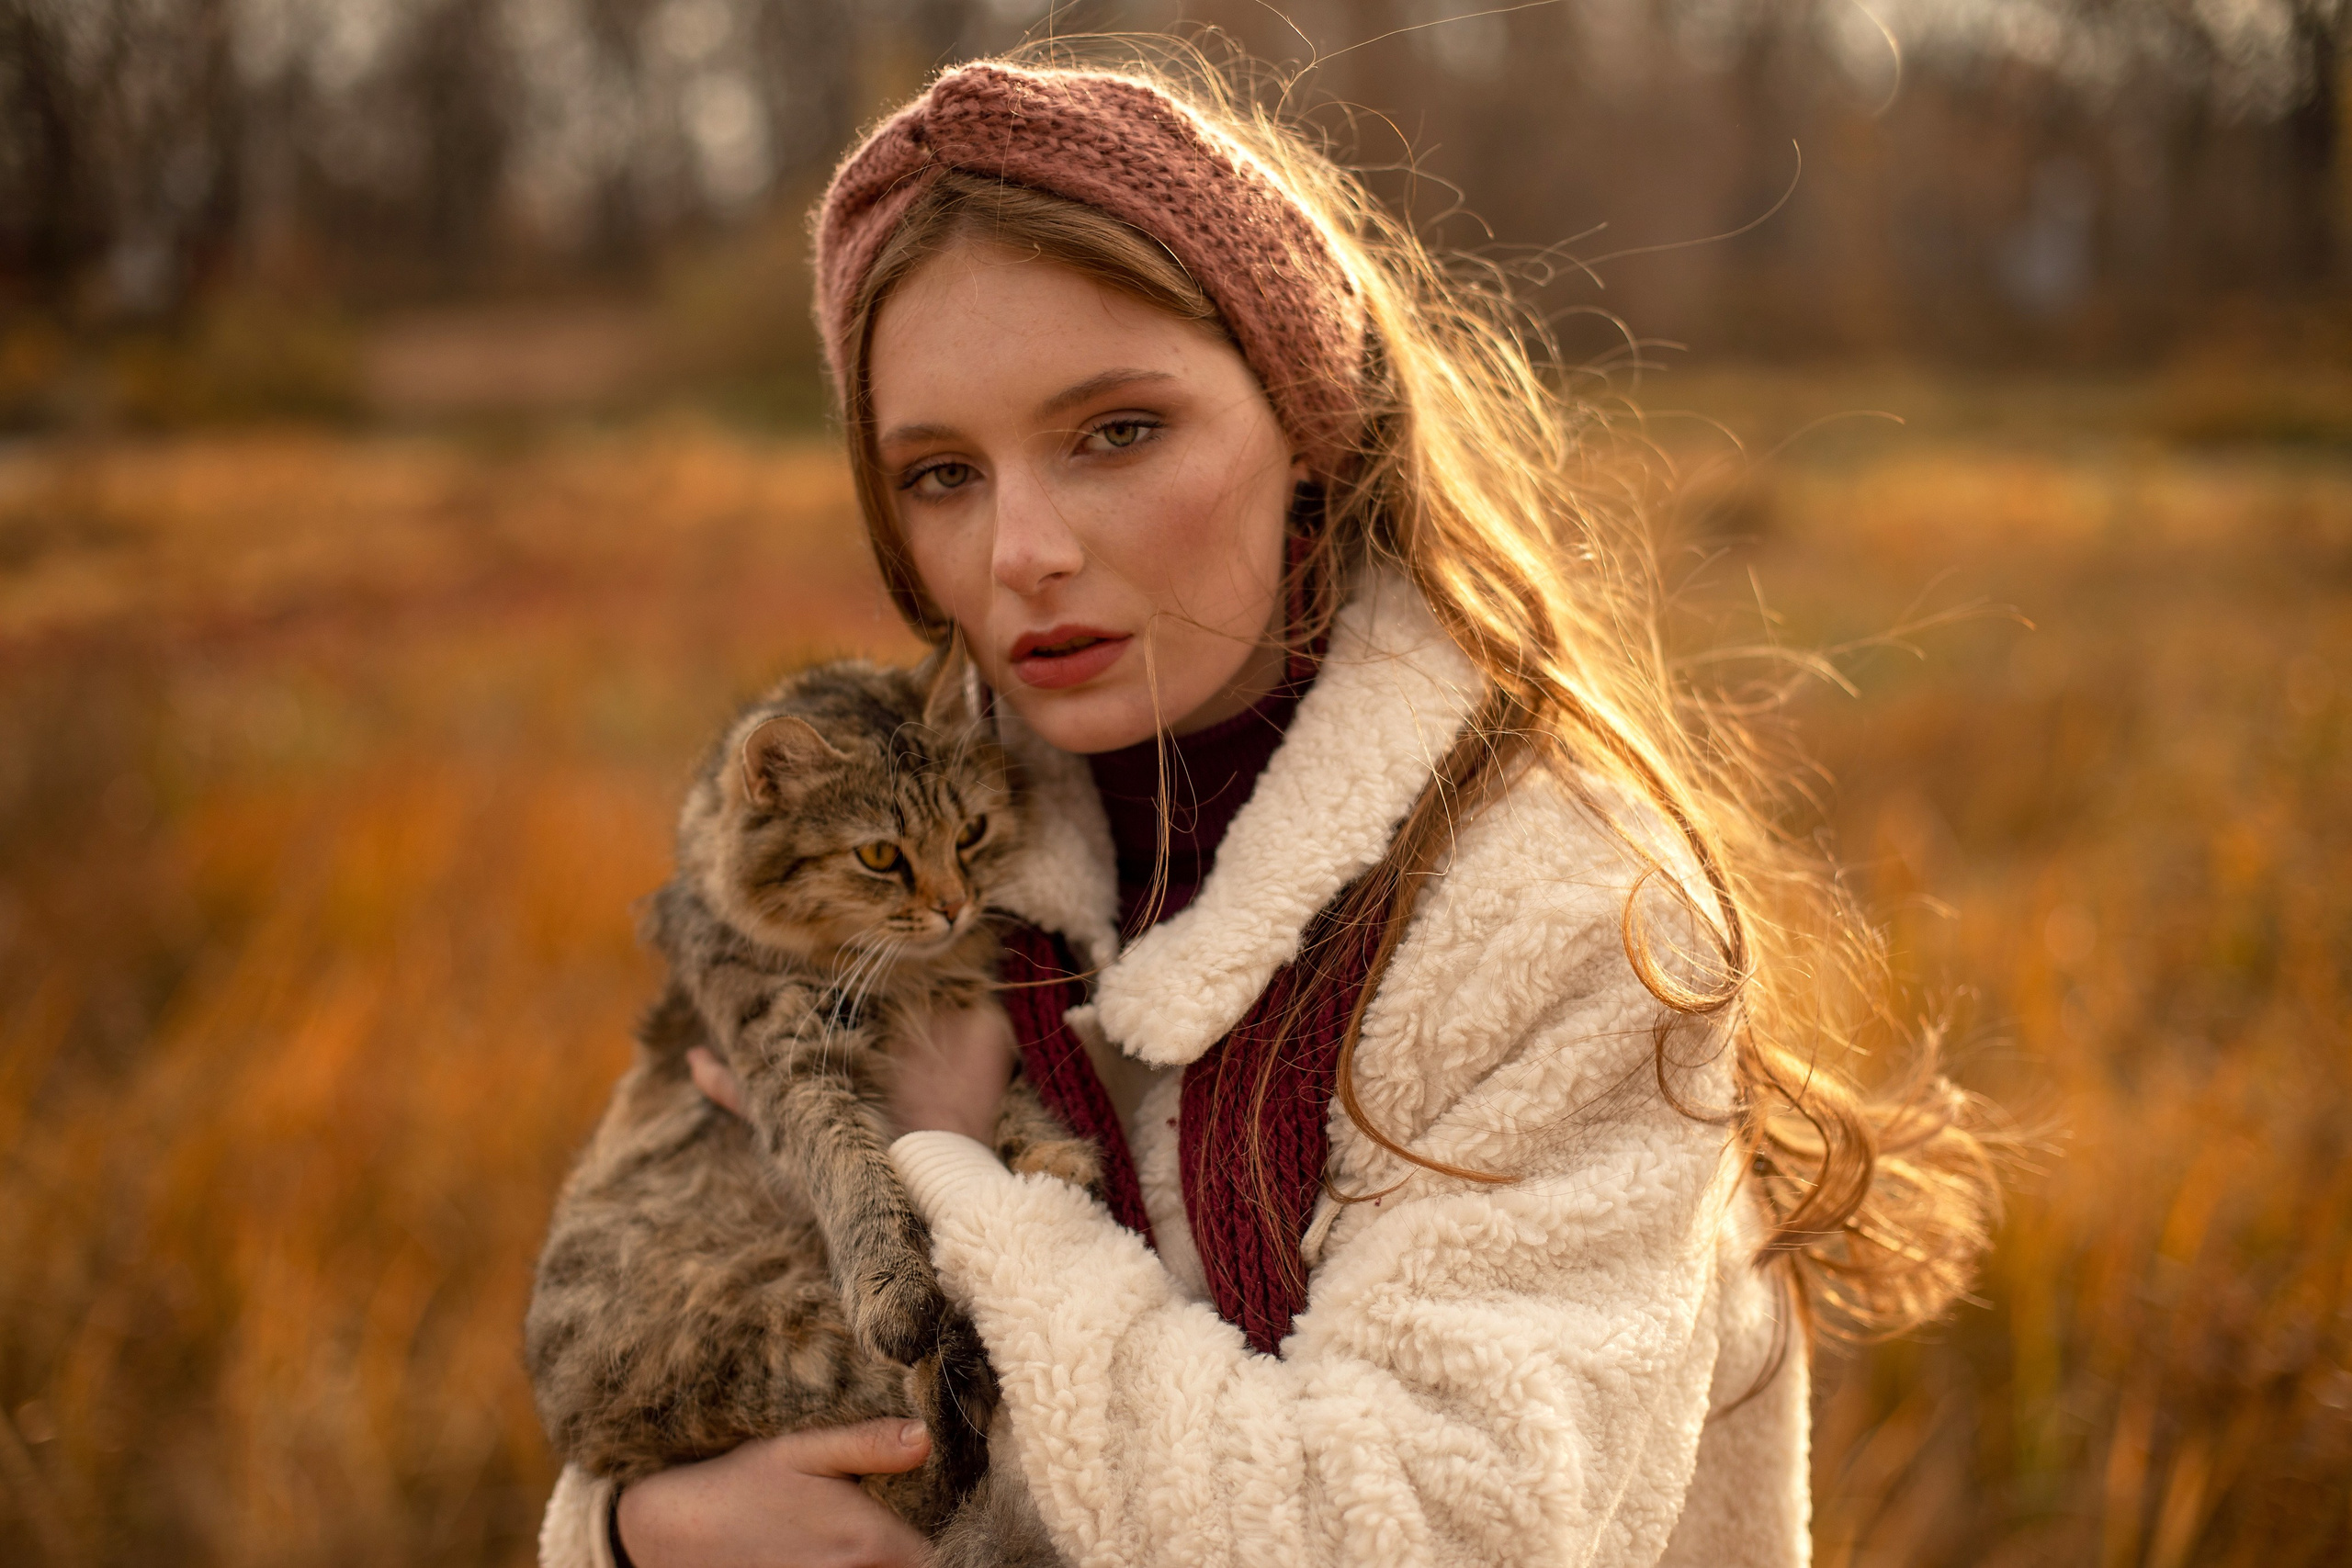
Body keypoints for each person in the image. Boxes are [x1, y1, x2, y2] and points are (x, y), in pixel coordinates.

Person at [539, 50, 1998, 1568]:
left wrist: (955, 1186)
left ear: (1305, 423)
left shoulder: (1565, 916)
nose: (1021, 549)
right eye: (943, 472)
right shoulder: (886, 862)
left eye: (1117, 431)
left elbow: (1430, 1535)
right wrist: (634, 1534)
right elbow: (669, 1335)